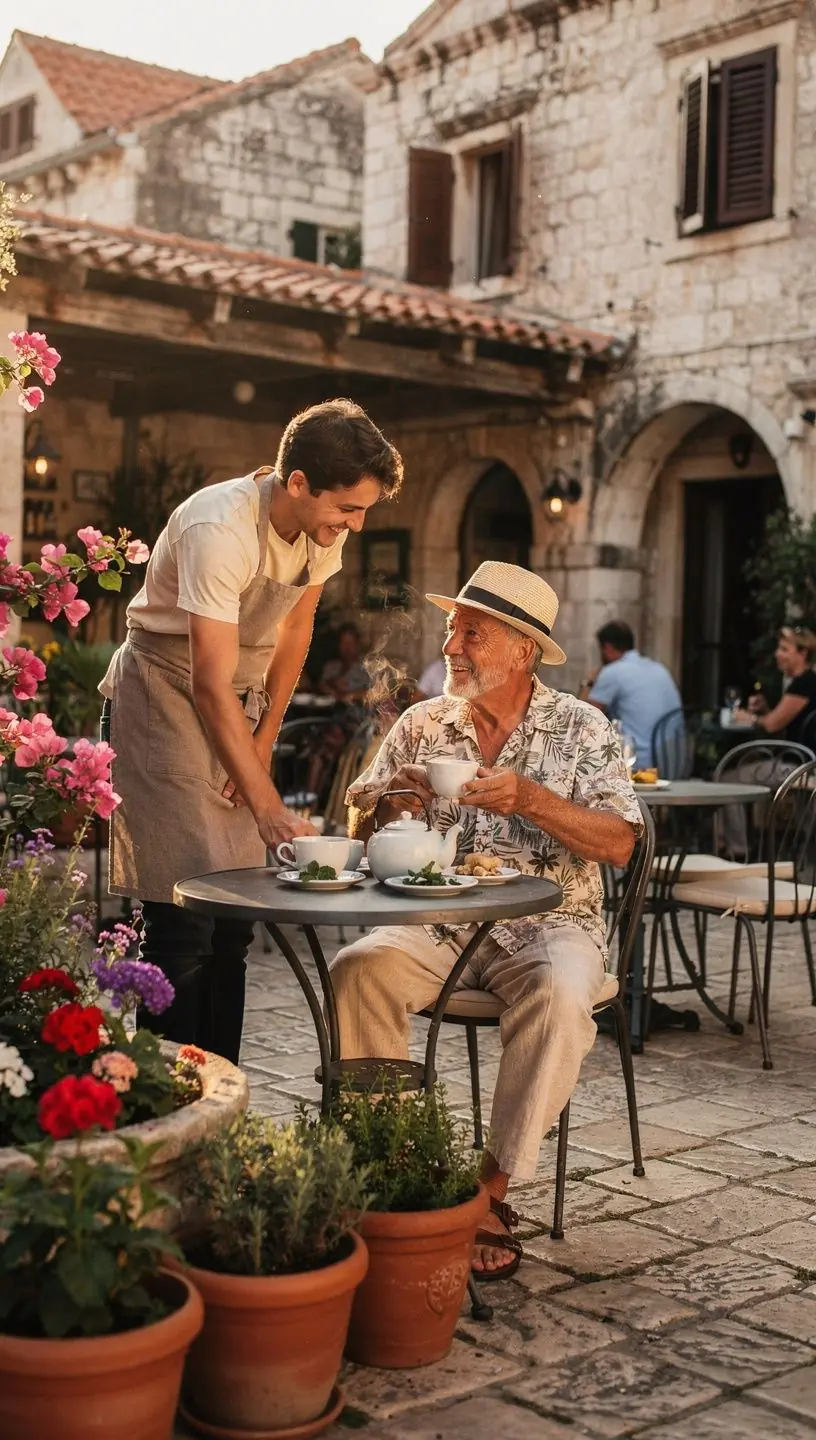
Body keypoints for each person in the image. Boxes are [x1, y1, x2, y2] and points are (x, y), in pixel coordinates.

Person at [329, 560, 640, 1281]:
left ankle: (489, 1191)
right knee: (357, 969)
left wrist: (530, 799)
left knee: (562, 994)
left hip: (552, 923)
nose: (451, 647)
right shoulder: (422, 721)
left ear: (522, 650)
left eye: (472, 633)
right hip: (436, 922)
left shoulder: (581, 726)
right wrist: (388, 807)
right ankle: (394, 1165)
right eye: (450, 630)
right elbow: (359, 814)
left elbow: (620, 842)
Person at [101, 399, 403, 1063]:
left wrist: (263, 743)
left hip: (237, 703)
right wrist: (266, 803)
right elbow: (206, 681)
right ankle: (171, 1108)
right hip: (167, 698)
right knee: (184, 921)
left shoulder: (323, 529)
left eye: (360, 513)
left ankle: (223, 1101)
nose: (352, 526)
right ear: (298, 483)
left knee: (233, 924)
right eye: (347, 510)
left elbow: (296, 631)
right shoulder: (220, 527)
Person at [582, 621, 682, 769]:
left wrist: (587, 683)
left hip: (639, 761)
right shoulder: (659, 668)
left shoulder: (613, 672)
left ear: (607, 647)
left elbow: (584, 717)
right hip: (674, 760)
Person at [732, 626, 816, 745]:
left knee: (738, 762)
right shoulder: (804, 681)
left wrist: (749, 718)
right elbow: (782, 723)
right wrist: (765, 709)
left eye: (784, 649)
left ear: (803, 653)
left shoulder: (804, 684)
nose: (777, 654)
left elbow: (772, 726)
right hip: (795, 757)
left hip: (800, 760)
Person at [319, 623, 371, 702]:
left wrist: (351, 695)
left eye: (350, 643)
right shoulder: (331, 666)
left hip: (358, 711)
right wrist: (332, 684)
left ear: (357, 645)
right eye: (343, 643)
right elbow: (321, 686)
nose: (347, 648)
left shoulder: (368, 667)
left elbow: (377, 692)